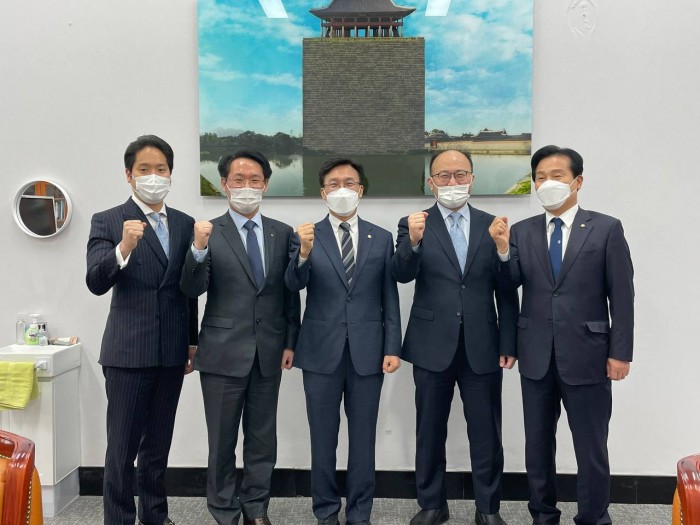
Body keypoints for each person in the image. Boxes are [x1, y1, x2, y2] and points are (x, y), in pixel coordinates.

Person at [489, 145, 634, 525]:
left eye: (556, 176)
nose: (547, 183)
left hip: (589, 355)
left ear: (577, 181)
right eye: (540, 177)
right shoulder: (521, 231)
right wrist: (502, 250)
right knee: (537, 446)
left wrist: (621, 353)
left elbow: (622, 296)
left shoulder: (606, 228)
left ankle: (593, 517)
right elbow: (508, 286)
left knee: (591, 447)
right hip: (535, 354)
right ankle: (543, 515)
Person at [391, 149, 518, 525]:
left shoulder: (493, 224)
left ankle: (488, 508)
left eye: (460, 174)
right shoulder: (414, 222)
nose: (452, 182)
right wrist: (414, 242)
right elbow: (401, 274)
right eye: (443, 176)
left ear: (472, 179)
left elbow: (508, 288)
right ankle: (432, 504)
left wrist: (504, 250)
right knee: (429, 430)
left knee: (487, 432)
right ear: (431, 182)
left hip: (483, 344)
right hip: (431, 344)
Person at [179, 150, 300, 525]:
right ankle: (224, 510)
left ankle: (256, 508)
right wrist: (198, 250)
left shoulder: (283, 233)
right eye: (238, 180)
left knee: (262, 439)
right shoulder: (207, 232)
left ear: (266, 184)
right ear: (224, 184)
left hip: (268, 351)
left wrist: (290, 341)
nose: (247, 186)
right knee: (222, 440)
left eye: (254, 180)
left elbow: (289, 293)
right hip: (221, 352)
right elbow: (191, 289)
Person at [86, 134, 198, 525]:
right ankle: (119, 519)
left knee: (157, 446)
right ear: (129, 175)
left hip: (171, 353)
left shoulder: (184, 224)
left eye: (161, 169)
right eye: (144, 169)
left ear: (171, 174)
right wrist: (123, 248)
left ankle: (155, 516)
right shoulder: (108, 220)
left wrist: (191, 341)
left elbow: (188, 288)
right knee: (121, 449)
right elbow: (95, 281)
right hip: (128, 353)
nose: (154, 176)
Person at [285, 158, 401, 525]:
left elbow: (389, 296)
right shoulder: (305, 235)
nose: (342, 189)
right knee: (323, 438)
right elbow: (293, 285)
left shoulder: (381, 237)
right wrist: (303, 253)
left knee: (363, 439)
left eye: (349, 183)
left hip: (369, 351)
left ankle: (360, 513)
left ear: (361, 190)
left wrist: (392, 346)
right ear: (323, 193)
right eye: (333, 184)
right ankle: (325, 512)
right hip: (320, 351)